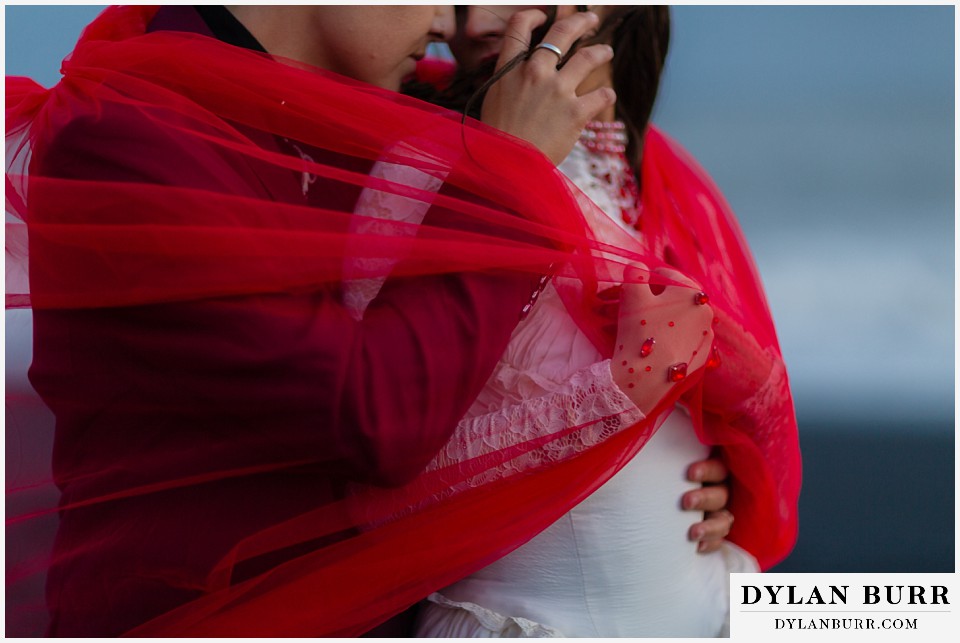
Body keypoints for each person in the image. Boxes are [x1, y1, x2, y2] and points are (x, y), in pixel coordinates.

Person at [5, 5, 633, 636]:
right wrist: (504, 174)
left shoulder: (374, 99)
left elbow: (604, 170)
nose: (447, 24)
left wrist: (700, 465)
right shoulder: (129, 133)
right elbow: (370, 415)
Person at [411, 5, 802, 637]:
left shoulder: (665, 176)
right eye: (453, 3)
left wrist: (716, 468)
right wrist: (624, 398)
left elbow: (723, 399)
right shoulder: (418, 166)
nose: (471, 25)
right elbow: (378, 436)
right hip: (526, 622)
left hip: (717, 602)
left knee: (907, 614)